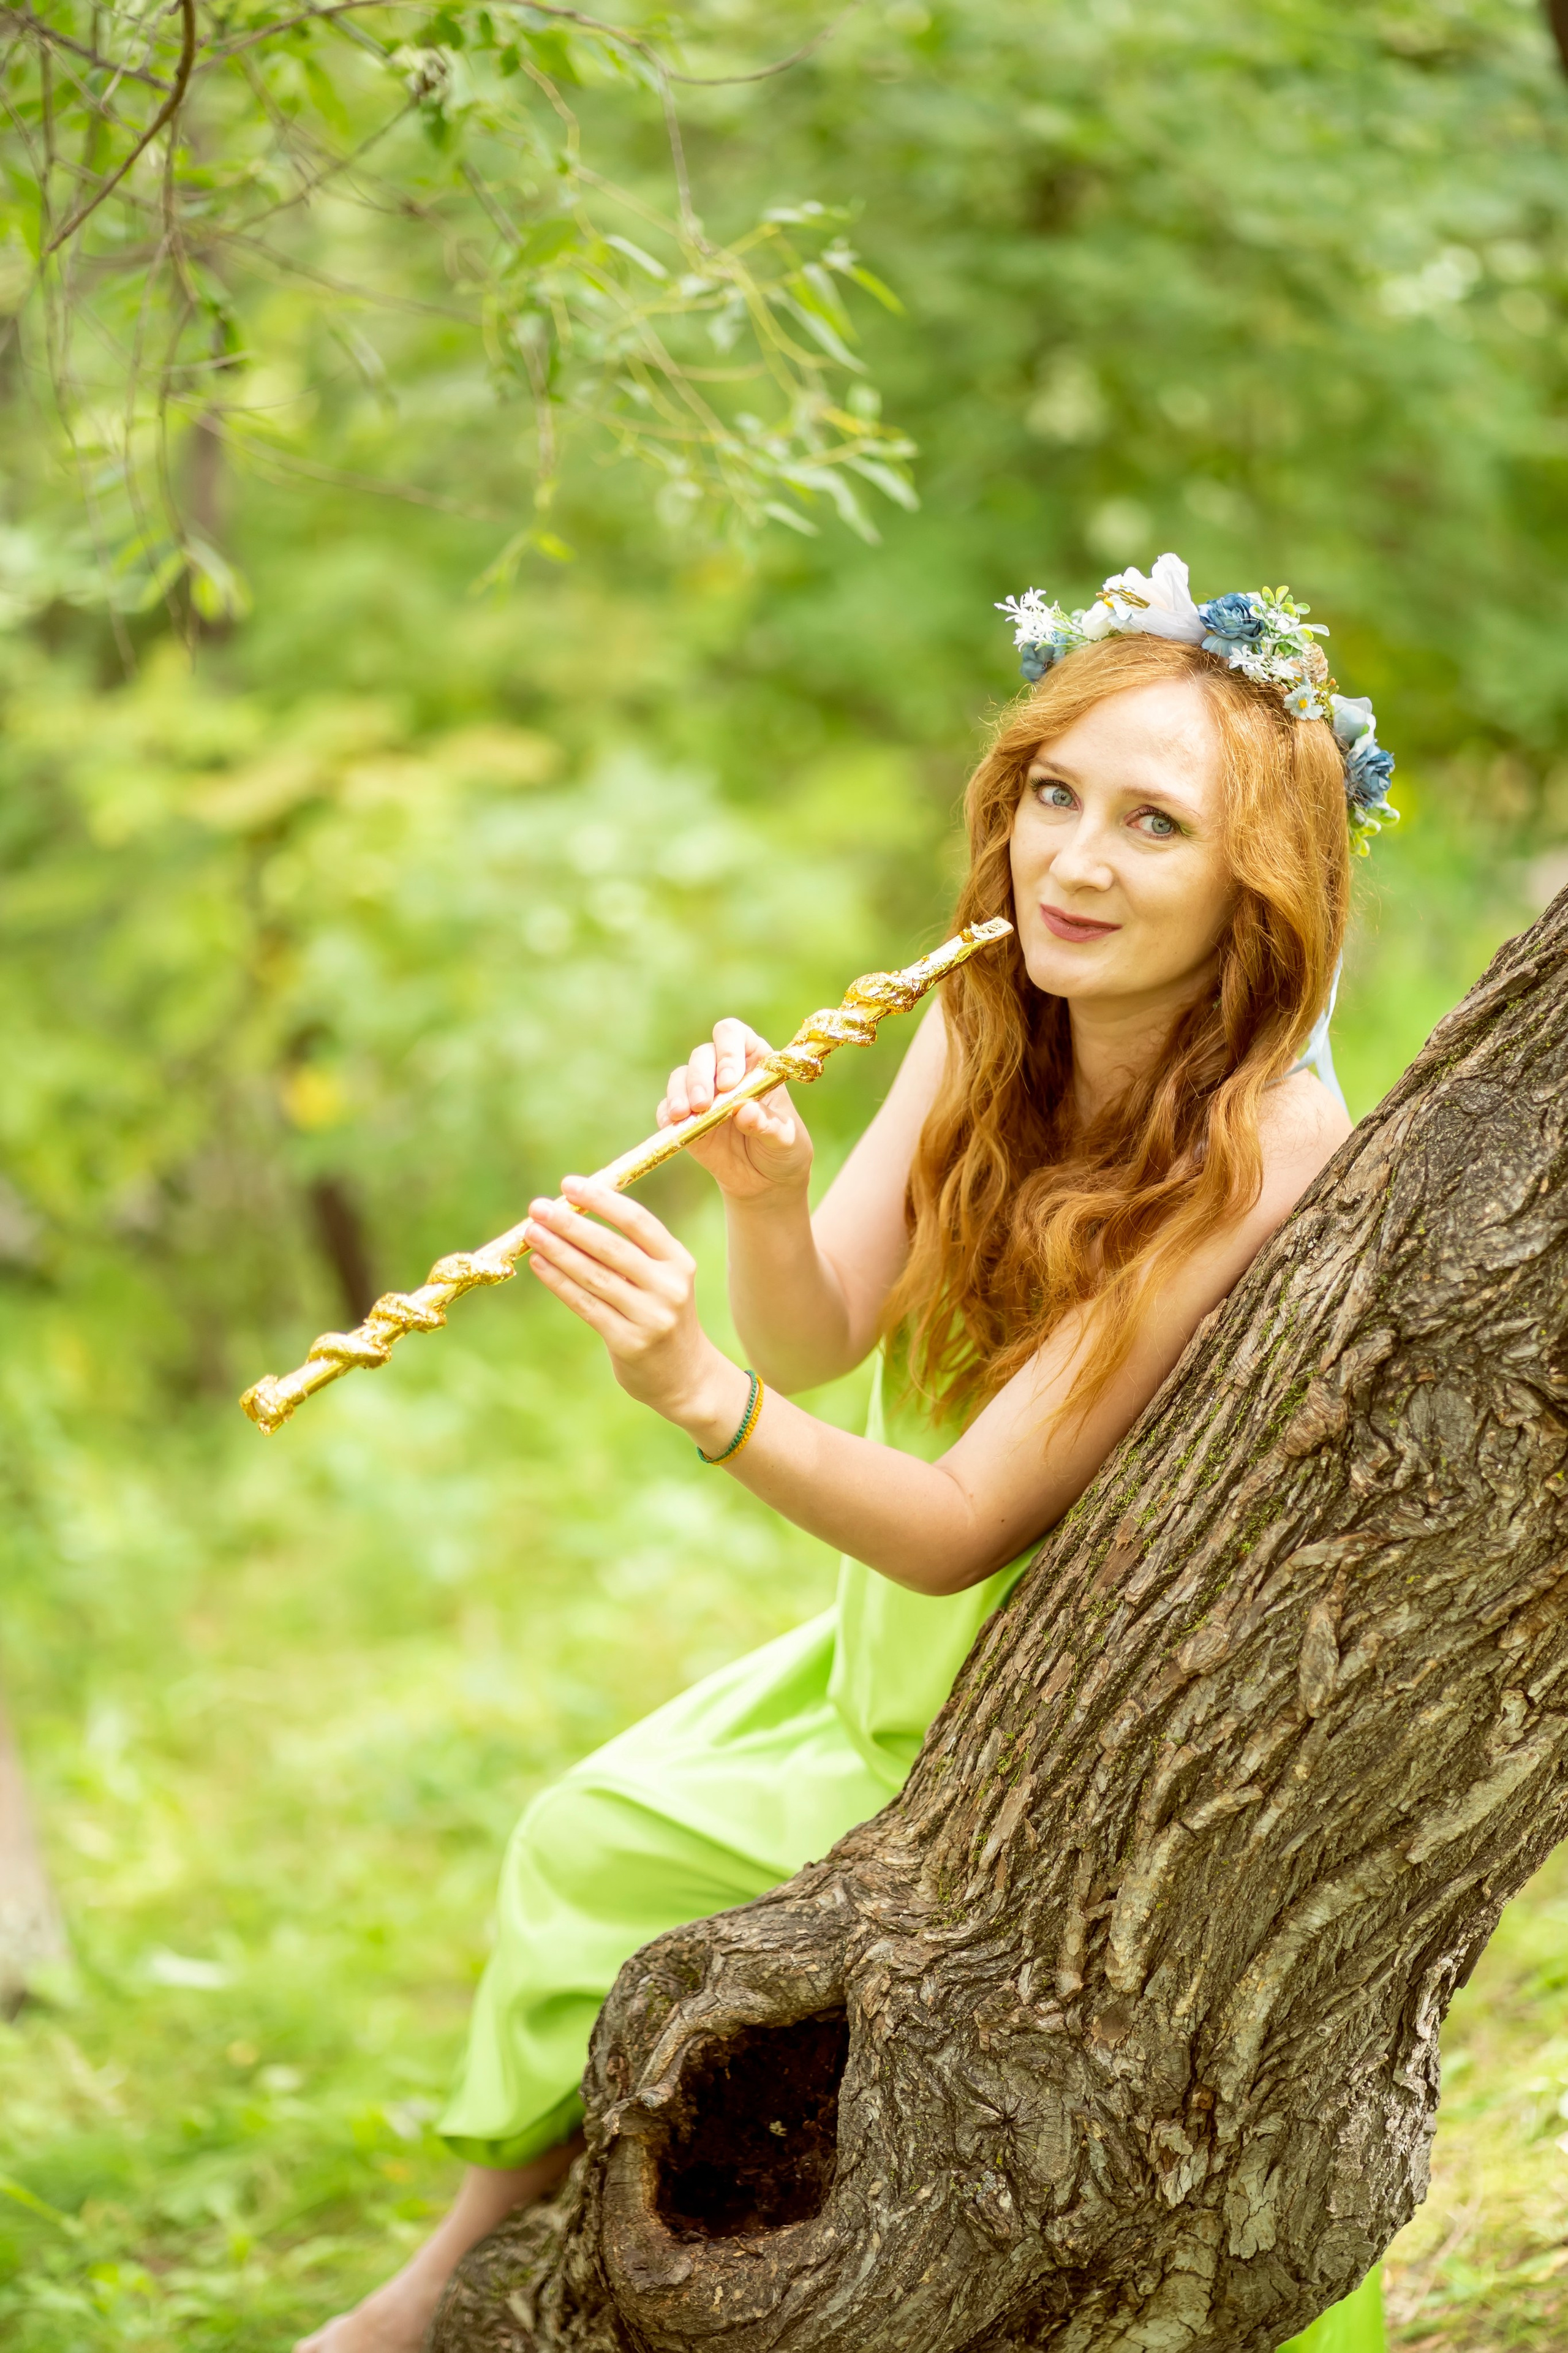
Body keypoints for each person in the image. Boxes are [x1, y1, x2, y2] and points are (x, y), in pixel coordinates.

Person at [297, 556, 1396, 2353]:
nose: (1072, 862)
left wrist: (691, 1393)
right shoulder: (984, 1018)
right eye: (1052, 795)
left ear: (1257, 882)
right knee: (584, 1838)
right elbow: (817, 1339)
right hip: (875, 1656)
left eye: (1154, 824)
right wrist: (766, 1193)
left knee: (640, 1868)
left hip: (1031, 1707)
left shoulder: (1264, 1143)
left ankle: (449, 2297)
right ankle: (451, 2275)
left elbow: (959, 1525)